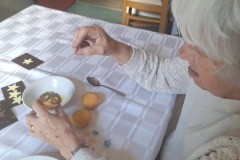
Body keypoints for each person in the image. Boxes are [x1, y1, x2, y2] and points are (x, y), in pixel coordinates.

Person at [25, 0, 240, 159]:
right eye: (188, 39)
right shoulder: (217, 74)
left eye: (201, 48)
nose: (183, 53)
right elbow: (161, 74)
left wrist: (71, 147)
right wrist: (114, 47)